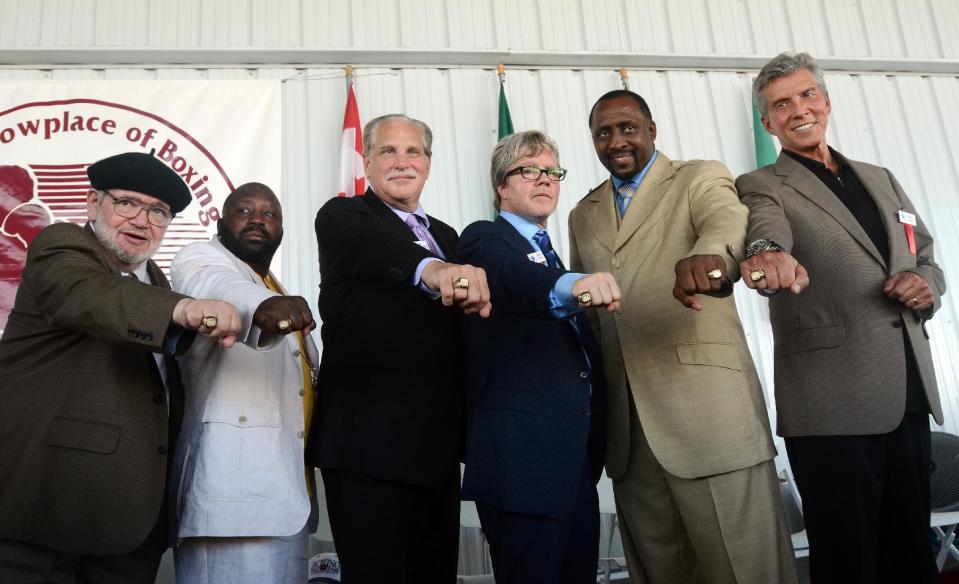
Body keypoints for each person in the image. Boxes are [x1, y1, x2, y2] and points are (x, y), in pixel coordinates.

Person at [568, 90, 796, 583]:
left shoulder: (699, 176)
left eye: (628, 127)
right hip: (628, 436)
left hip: (710, 419)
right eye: (603, 133)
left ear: (652, 130)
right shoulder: (582, 213)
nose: (617, 140)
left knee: (746, 571)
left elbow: (726, 221)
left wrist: (712, 257)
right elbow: (584, 316)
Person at [738, 51, 946, 584]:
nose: (798, 109)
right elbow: (765, 230)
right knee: (848, 559)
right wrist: (766, 253)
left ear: (826, 102)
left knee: (911, 553)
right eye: (781, 104)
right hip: (831, 402)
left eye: (808, 95)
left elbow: (924, 254)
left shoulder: (882, 178)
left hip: (907, 389)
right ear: (768, 122)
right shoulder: (762, 183)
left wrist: (928, 286)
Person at [0, 151, 241, 584]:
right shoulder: (61, 246)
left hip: (131, 524)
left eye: (158, 212)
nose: (141, 220)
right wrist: (188, 308)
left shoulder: (157, 282)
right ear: (93, 205)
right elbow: (91, 295)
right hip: (46, 515)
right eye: (126, 203)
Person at [306, 113, 492, 583]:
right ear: (367, 161)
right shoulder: (343, 216)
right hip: (368, 449)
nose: (402, 162)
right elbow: (377, 248)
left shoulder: (449, 237)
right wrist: (433, 271)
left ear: (428, 164)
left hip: (437, 452)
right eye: (388, 151)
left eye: (414, 152)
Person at [457, 130, 618, 583]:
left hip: (574, 467)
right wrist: (571, 286)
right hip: (521, 468)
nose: (543, 179)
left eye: (551, 171)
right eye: (528, 170)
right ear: (501, 186)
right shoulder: (484, 240)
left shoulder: (554, 259)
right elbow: (511, 278)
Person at [170, 182, 319, 583]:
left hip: (284, 501)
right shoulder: (201, 259)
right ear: (220, 223)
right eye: (245, 211)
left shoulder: (272, 282)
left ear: (282, 231)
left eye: (270, 214)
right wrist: (261, 307)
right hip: (231, 503)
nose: (258, 219)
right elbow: (214, 286)